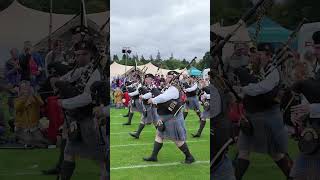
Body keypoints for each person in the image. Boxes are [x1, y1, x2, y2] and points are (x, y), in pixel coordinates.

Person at [233, 45, 293, 180]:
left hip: (267, 117)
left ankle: (293, 177)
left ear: (269, 56)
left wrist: (243, 89)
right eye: (256, 54)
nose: (257, 56)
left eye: (261, 54)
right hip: (251, 116)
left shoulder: (273, 72)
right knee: (243, 151)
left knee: (276, 153)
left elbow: (262, 88)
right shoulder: (256, 69)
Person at [51, 40, 106, 180]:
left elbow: (87, 97)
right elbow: (68, 78)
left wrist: (64, 102)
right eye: (77, 54)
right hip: (76, 118)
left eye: (84, 54)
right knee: (69, 152)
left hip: (89, 118)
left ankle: (106, 175)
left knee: (99, 156)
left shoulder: (95, 72)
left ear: (91, 55)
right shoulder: (81, 69)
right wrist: (57, 82)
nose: (80, 57)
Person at [143, 71, 195, 164]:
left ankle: (189, 157)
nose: (167, 78)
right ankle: (154, 156)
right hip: (165, 117)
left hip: (172, 118)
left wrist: (153, 100)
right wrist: (145, 96)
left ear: (175, 79)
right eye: (167, 76)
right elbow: (155, 93)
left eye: (170, 77)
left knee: (177, 140)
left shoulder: (174, 89)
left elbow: (163, 98)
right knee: (159, 135)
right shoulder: (168, 88)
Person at [289, 30, 320, 180]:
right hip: (313, 131)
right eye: (316, 47)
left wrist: (311, 109)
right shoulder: (316, 69)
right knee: (298, 174)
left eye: (319, 48)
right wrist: (301, 113)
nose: (316, 52)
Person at [14, 80, 48, 147]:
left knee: (40, 139)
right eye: (24, 88)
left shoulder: (35, 97)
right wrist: (25, 97)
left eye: (27, 87)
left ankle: (35, 142)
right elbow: (17, 108)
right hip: (23, 126)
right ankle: (22, 139)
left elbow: (42, 103)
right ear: (20, 89)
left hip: (34, 125)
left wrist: (35, 95)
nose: (26, 89)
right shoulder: (18, 99)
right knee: (29, 140)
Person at [129, 73, 159, 139]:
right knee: (146, 119)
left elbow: (151, 94)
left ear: (151, 80)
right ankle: (137, 134)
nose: (146, 80)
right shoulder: (145, 85)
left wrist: (143, 96)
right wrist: (131, 94)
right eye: (146, 79)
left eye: (148, 79)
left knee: (155, 121)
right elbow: (139, 92)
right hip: (146, 105)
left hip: (152, 105)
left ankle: (162, 133)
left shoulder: (153, 86)